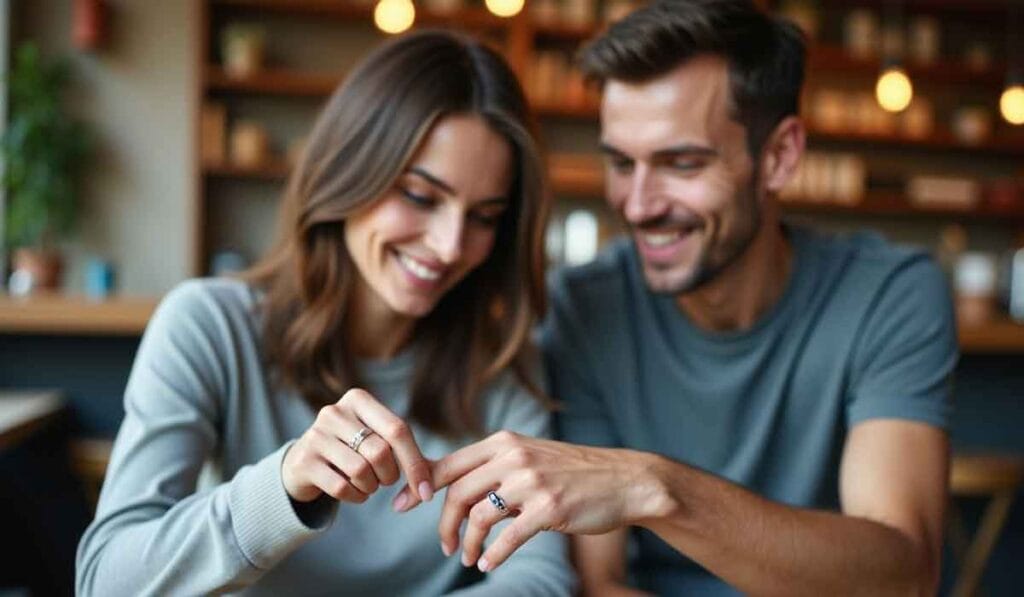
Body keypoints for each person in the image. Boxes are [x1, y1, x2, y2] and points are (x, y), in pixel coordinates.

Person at [392, 1, 957, 595]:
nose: (637, 206)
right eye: (620, 163)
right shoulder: (584, 308)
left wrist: (654, 486)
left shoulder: (890, 294)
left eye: (681, 163)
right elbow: (599, 584)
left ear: (779, 156)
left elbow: (904, 575)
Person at [75, 30, 575, 596]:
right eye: (419, 195)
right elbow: (104, 582)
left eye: (484, 216)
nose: (450, 245)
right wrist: (283, 484)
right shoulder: (208, 325)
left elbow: (541, 577)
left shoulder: (502, 362)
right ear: (349, 171)